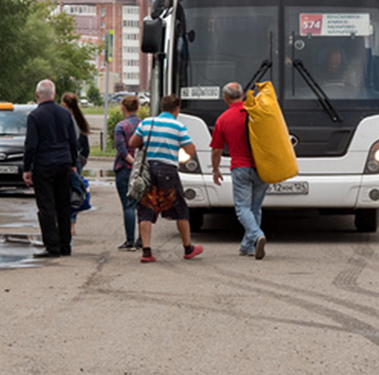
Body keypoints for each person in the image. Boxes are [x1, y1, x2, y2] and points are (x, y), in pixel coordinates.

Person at [128, 94, 202, 263]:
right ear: (177, 109)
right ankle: (188, 248)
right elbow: (190, 150)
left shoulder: (147, 122)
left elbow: (133, 143)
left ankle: (146, 251)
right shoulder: (178, 126)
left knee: (146, 208)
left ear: (161, 107)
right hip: (168, 171)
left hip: (147, 171)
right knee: (180, 209)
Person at [210, 82, 268, 259]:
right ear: (242, 94)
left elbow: (216, 150)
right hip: (262, 167)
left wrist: (215, 170)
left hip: (240, 167)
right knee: (255, 208)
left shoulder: (223, 119)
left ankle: (257, 235)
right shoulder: (257, 112)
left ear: (225, 98)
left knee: (243, 208)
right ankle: (247, 246)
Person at [22, 79, 78, 258]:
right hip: (64, 164)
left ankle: (52, 246)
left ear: (37, 94)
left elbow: (31, 145)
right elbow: (72, 141)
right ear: (53, 94)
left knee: (47, 207)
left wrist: (27, 168)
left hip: (43, 165)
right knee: (64, 205)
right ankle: (65, 245)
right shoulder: (65, 114)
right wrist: (74, 163)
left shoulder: (35, 116)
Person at [112, 95, 142, 251]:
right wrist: (139, 164)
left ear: (123, 108)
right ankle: (143, 240)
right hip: (143, 171)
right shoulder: (144, 125)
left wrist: (132, 162)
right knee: (142, 206)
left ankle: (130, 241)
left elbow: (122, 150)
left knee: (128, 206)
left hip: (124, 169)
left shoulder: (120, 127)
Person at [61, 92, 91, 235]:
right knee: (74, 192)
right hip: (77, 160)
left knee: (62, 192)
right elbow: (85, 146)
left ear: (65, 105)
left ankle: (62, 222)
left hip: (65, 159)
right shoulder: (80, 120)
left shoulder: (64, 119)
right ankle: (72, 224)